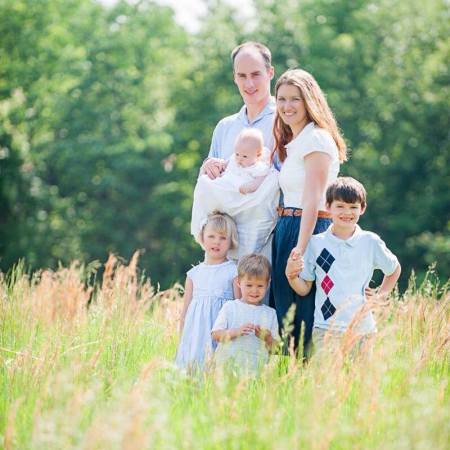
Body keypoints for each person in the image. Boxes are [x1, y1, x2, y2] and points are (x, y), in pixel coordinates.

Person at [270, 68, 348, 356]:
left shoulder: (316, 138)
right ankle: (288, 380)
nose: (287, 106)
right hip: (287, 227)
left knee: (303, 314)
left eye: (295, 99)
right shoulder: (295, 140)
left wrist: (300, 250)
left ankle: (305, 380)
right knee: (284, 315)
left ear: (309, 101)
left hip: (307, 229)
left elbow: (314, 199)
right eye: (282, 99)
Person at [285, 177, 401, 351]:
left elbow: (394, 269)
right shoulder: (316, 243)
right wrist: (291, 276)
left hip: (362, 329)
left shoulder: (370, 241)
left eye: (353, 207)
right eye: (340, 206)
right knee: (328, 377)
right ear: (328, 206)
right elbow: (305, 288)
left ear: (362, 209)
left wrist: (380, 297)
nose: (347, 212)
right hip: (326, 328)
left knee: (361, 378)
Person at [191, 129, 279, 257]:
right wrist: (220, 165)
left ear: (258, 154)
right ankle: (204, 224)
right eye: (237, 154)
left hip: (243, 190)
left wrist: (249, 186)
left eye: (244, 156)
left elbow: (260, 181)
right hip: (230, 184)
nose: (239, 159)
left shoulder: (259, 167)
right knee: (205, 183)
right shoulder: (234, 159)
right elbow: (226, 166)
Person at [176, 211, 241, 370]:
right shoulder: (193, 274)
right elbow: (185, 312)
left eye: (223, 238)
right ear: (202, 237)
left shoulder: (233, 271)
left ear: (230, 242)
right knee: (193, 370)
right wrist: (182, 340)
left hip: (221, 333)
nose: (216, 242)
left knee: (216, 370)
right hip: (195, 335)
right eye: (211, 236)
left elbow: (239, 307)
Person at [201, 42, 275, 180]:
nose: (249, 84)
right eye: (242, 76)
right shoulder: (224, 127)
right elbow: (209, 185)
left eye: (255, 74)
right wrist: (206, 169)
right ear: (235, 77)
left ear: (270, 73)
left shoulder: (285, 121)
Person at [211, 254, 280, 374]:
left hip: (256, 373)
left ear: (268, 284)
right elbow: (216, 335)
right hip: (227, 370)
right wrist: (237, 332)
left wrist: (267, 338)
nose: (254, 290)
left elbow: (276, 349)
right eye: (249, 285)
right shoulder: (230, 307)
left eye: (260, 286)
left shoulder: (270, 314)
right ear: (238, 282)